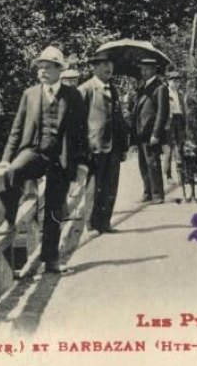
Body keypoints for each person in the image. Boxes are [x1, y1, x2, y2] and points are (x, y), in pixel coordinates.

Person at [0, 46, 88, 274]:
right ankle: (8, 218)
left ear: (59, 70)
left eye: (47, 67)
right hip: (35, 150)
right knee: (14, 170)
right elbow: (16, 129)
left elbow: (81, 132)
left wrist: (82, 163)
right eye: (40, 68)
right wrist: (6, 159)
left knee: (54, 209)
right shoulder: (30, 94)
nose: (42, 72)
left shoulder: (73, 95)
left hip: (61, 157)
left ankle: (51, 259)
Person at [77, 51, 129, 236]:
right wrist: (83, 149)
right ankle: (90, 225)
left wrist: (124, 146)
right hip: (95, 146)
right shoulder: (86, 89)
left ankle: (105, 223)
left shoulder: (113, 89)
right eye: (104, 64)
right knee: (94, 185)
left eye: (111, 64)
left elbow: (119, 119)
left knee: (110, 185)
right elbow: (78, 122)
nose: (109, 68)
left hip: (113, 146)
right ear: (95, 67)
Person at [131, 57, 170, 204]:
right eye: (142, 69)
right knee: (143, 163)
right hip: (140, 131)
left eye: (146, 69)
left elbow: (162, 112)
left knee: (153, 163)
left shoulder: (160, 87)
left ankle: (157, 194)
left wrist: (156, 133)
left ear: (154, 69)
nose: (143, 71)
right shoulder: (143, 87)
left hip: (151, 132)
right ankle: (147, 191)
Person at [163, 70, 188, 188]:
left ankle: (183, 175)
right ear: (168, 81)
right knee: (169, 149)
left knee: (181, 147)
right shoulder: (165, 93)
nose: (176, 83)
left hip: (179, 121)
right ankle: (168, 176)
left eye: (178, 81)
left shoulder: (181, 94)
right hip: (169, 122)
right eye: (173, 80)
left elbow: (184, 111)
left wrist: (186, 125)